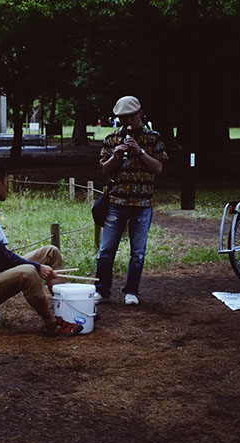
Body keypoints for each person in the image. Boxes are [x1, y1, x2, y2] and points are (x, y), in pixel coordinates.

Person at [0, 160, 82, 336]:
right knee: (28, 272)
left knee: (51, 252)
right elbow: (2, 257)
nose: (8, 187)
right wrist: (37, 267)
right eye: (6, 181)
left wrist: (37, 265)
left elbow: (0, 257)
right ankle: (52, 323)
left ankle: (66, 310)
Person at [95, 95, 169, 305]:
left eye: (131, 117)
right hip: (116, 203)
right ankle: (102, 290)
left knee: (138, 253)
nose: (127, 121)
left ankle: (131, 291)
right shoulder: (111, 139)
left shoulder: (153, 138)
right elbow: (104, 170)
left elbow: (158, 168)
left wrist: (140, 151)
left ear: (140, 114)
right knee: (106, 251)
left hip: (142, 205)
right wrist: (116, 156)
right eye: (123, 118)